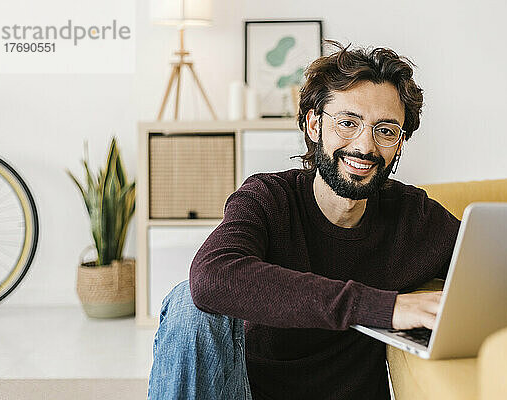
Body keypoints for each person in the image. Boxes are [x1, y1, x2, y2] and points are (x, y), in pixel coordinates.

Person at [147, 41, 460, 400]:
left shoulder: (414, 217)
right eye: (347, 123)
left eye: (385, 130)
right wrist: (383, 308)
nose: (365, 146)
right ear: (314, 124)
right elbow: (211, 276)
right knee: (189, 303)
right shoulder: (269, 198)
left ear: (400, 143)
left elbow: (494, 276)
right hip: (249, 394)